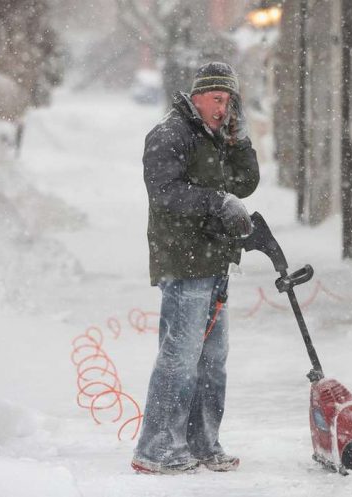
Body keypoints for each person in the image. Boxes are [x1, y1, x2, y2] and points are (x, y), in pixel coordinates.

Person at [131, 62, 260, 475]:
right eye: (219, 100)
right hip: (183, 262)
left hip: (214, 260)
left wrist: (239, 141)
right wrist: (216, 202)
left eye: (229, 102)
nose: (224, 109)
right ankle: (156, 448)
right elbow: (165, 193)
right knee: (180, 356)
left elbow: (244, 183)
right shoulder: (170, 134)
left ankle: (203, 443)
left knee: (212, 359)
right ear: (198, 95)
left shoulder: (215, 136)